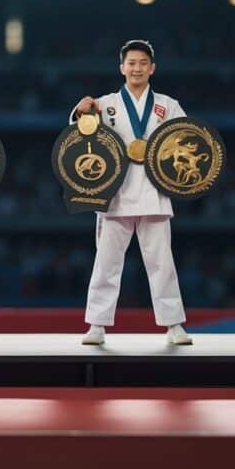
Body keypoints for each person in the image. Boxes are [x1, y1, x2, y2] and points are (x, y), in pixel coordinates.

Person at [70, 39, 192, 345]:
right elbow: (78, 135)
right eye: (131, 63)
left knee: (162, 262)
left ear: (152, 68)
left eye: (142, 63)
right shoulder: (104, 103)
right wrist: (79, 110)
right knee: (107, 261)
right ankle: (96, 325)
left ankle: (174, 324)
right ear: (121, 67)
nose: (136, 68)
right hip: (115, 191)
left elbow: (186, 137)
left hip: (154, 189)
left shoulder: (168, 105)